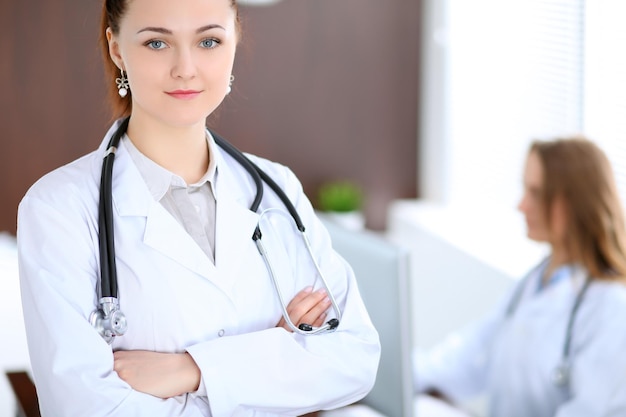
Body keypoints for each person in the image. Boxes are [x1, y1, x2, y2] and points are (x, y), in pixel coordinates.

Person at [16, 0, 380, 415]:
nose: (185, 68)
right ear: (117, 49)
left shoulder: (278, 190)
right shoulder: (58, 210)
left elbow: (355, 357)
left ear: (235, 42)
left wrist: (192, 370)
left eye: (208, 41)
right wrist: (275, 360)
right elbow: (84, 408)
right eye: (157, 43)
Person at [413, 137, 626, 417]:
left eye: (536, 193)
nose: (522, 205)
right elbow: (471, 354)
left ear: (574, 203)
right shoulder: (536, 280)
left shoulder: (611, 306)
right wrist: (390, 368)